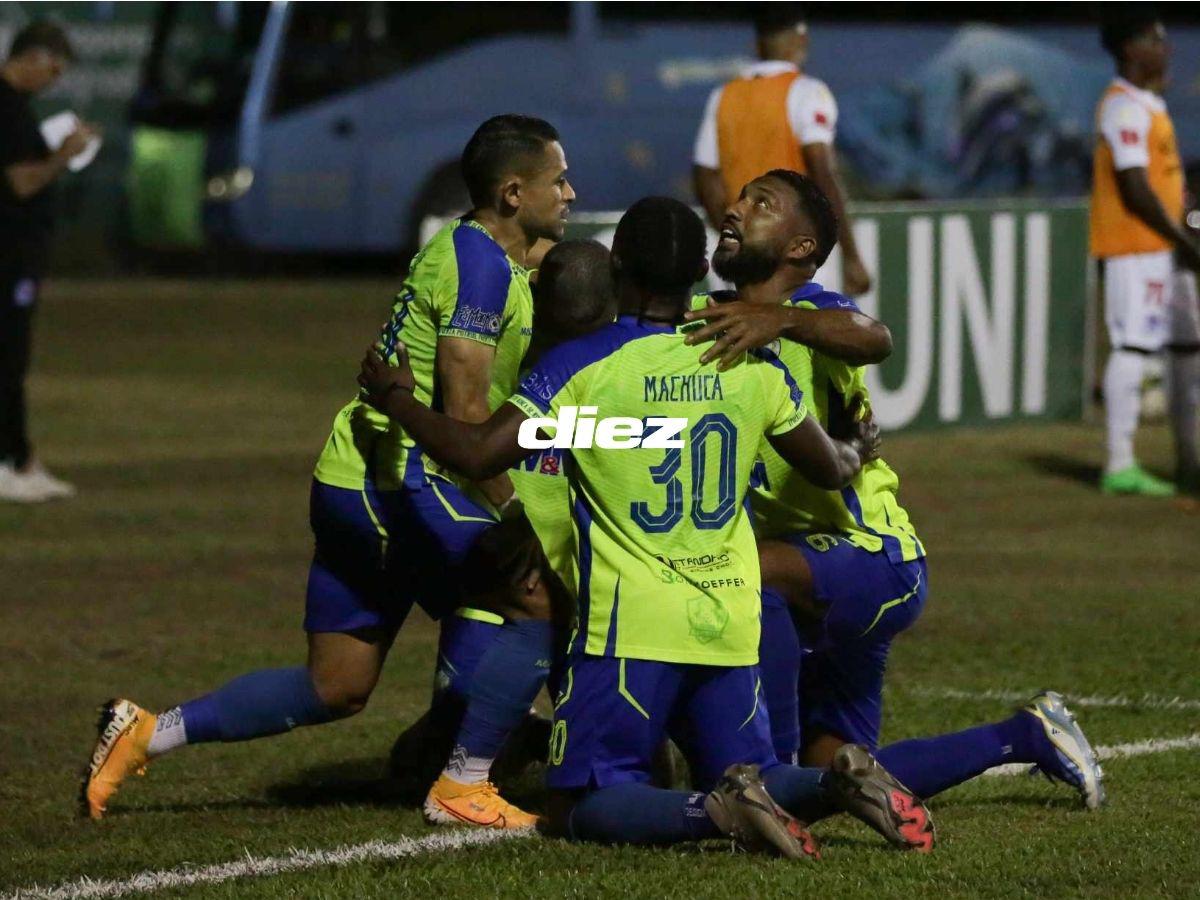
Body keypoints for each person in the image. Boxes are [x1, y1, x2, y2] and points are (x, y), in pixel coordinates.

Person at [358, 196, 934, 857]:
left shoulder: (587, 368)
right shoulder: (748, 362)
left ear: (618, 267)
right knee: (765, 775)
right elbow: (832, 468)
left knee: (579, 803)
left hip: (631, 629)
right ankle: (833, 786)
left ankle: (714, 813)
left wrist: (395, 396)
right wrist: (861, 447)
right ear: (698, 271)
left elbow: (475, 453)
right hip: (730, 619)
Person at [81, 115, 574, 829]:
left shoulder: (493, 255)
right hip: (400, 482)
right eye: (556, 179)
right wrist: (513, 508)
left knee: (336, 685)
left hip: (356, 476)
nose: (570, 191)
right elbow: (466, 415)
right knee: (531, 597)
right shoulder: (481, 268)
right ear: (511, 192)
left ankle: (145, 732)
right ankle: (460, 777)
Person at [683, 170, 1106, 810]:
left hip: (873, 557)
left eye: (760, 203)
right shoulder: (718, 317)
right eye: (739, 198)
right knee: (839, 778)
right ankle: (1025, 734)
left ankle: (764, 779)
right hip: (813, 577)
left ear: (801, 248)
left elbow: (874, 337)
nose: (736, 209)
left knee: (748, 570)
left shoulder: (812, 314)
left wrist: (780, 319)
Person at [1090, 13, 1200, 496]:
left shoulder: (1149, 105)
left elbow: (1163, 184)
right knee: (1132, 346)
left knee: (1184, 348)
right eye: (1157, 40)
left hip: (1160, 249)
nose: (1166, 48)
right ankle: (1119, 463)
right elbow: (1135, 190)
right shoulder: (1122, 108)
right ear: (1132, 49)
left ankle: (1189, 460)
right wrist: (1184, 240)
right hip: (1133, 247)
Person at [692, 6, 870, 297]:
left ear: (758, 45)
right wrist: (851, 255)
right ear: (802, 41)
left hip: (744, 251)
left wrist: (734, 234)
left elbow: (705, 176)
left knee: (744, 335)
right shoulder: (807, 92)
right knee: (804, 334)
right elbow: (822, 172)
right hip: (794, 249)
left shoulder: (724, 96)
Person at [0, 21, 96, 503]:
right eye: (53, 69)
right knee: (9, 358)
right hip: (9, 256)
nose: (53, 81)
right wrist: (66, 154)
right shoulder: (9, 109)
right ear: (33, 57)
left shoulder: (14, 108)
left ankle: (21, 460)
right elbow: (22, 183)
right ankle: (13, 463)